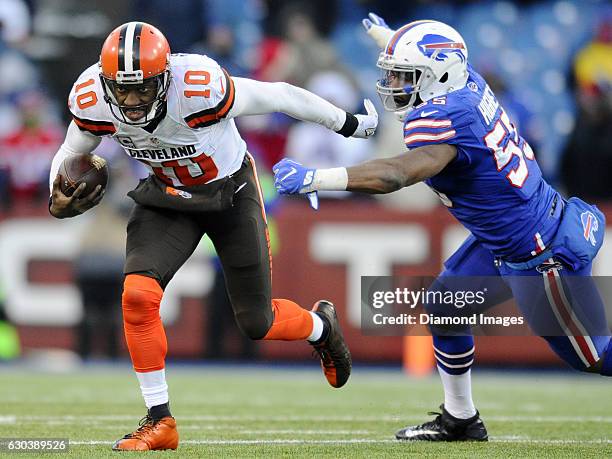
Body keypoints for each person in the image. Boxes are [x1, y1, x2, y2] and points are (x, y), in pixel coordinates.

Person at [274, 16, 612, 442]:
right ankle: (461, 420)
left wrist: (318, 178)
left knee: (596, 357)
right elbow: (441, 60)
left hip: (539, 255)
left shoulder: (447, 119)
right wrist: (387, 38)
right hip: (507, 235)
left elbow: (397, 174)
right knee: (444, 305)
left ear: (437, 76)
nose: (395, 83)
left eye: (404, 75)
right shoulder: (465, 82)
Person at [48, 21, 378, 451]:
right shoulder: (92, 98)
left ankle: (320, 326)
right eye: (122, 90)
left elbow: (279, 94)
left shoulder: (199, 86)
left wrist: (348, 123)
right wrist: (56, 189)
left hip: (230, 194)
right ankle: (159, 421)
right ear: (106, 83)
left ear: (165, 78)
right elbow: (73, 151)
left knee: (257, 322)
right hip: (167, 197)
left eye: (143, 89)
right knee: (137, 297)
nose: (130, 101)